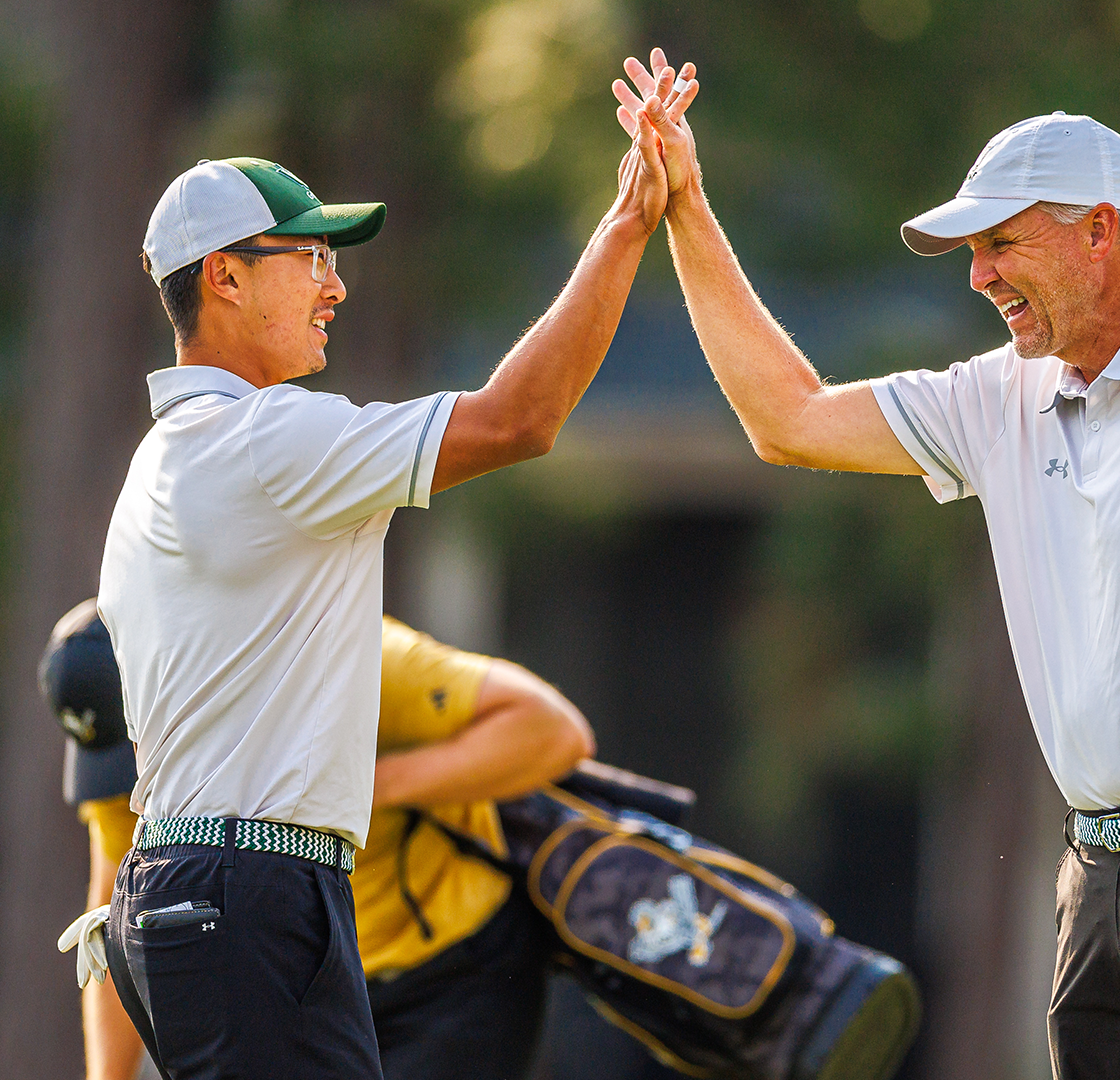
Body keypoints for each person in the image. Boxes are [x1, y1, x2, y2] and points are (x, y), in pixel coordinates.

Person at [615, 55, 1120, 1079]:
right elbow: (788, 420)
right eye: (972, 249)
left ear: (1099, 230)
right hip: (1099, 877)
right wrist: (686, 207)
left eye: (1003, 242)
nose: (978, 274)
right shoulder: (1003, 395)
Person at [95, 103, 693, 1079]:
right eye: (311, 257)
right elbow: (518, 422)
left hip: (230, 884)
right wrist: (627, 227)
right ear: (226, 276)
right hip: (247, 888)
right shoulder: (261, 442)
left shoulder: (171, 455)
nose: (336, 286)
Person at [48, 599, 594, 1080]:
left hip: (456, 965)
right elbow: (112, 917)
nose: (141, 778)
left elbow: (554, 732)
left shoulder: (344, 658)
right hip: (319, 981)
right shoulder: (130, 784)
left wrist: (355, 784)